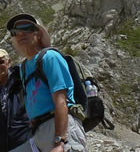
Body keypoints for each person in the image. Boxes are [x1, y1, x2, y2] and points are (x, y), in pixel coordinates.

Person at [7, 13, 87, 152]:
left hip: (61, 128)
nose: (21, 34)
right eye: (16, 32)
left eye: (27, 28)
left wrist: (59, 141)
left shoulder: (50, 57)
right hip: (40, 132)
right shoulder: (24, 68)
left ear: (38, 33)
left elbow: (61, 102)